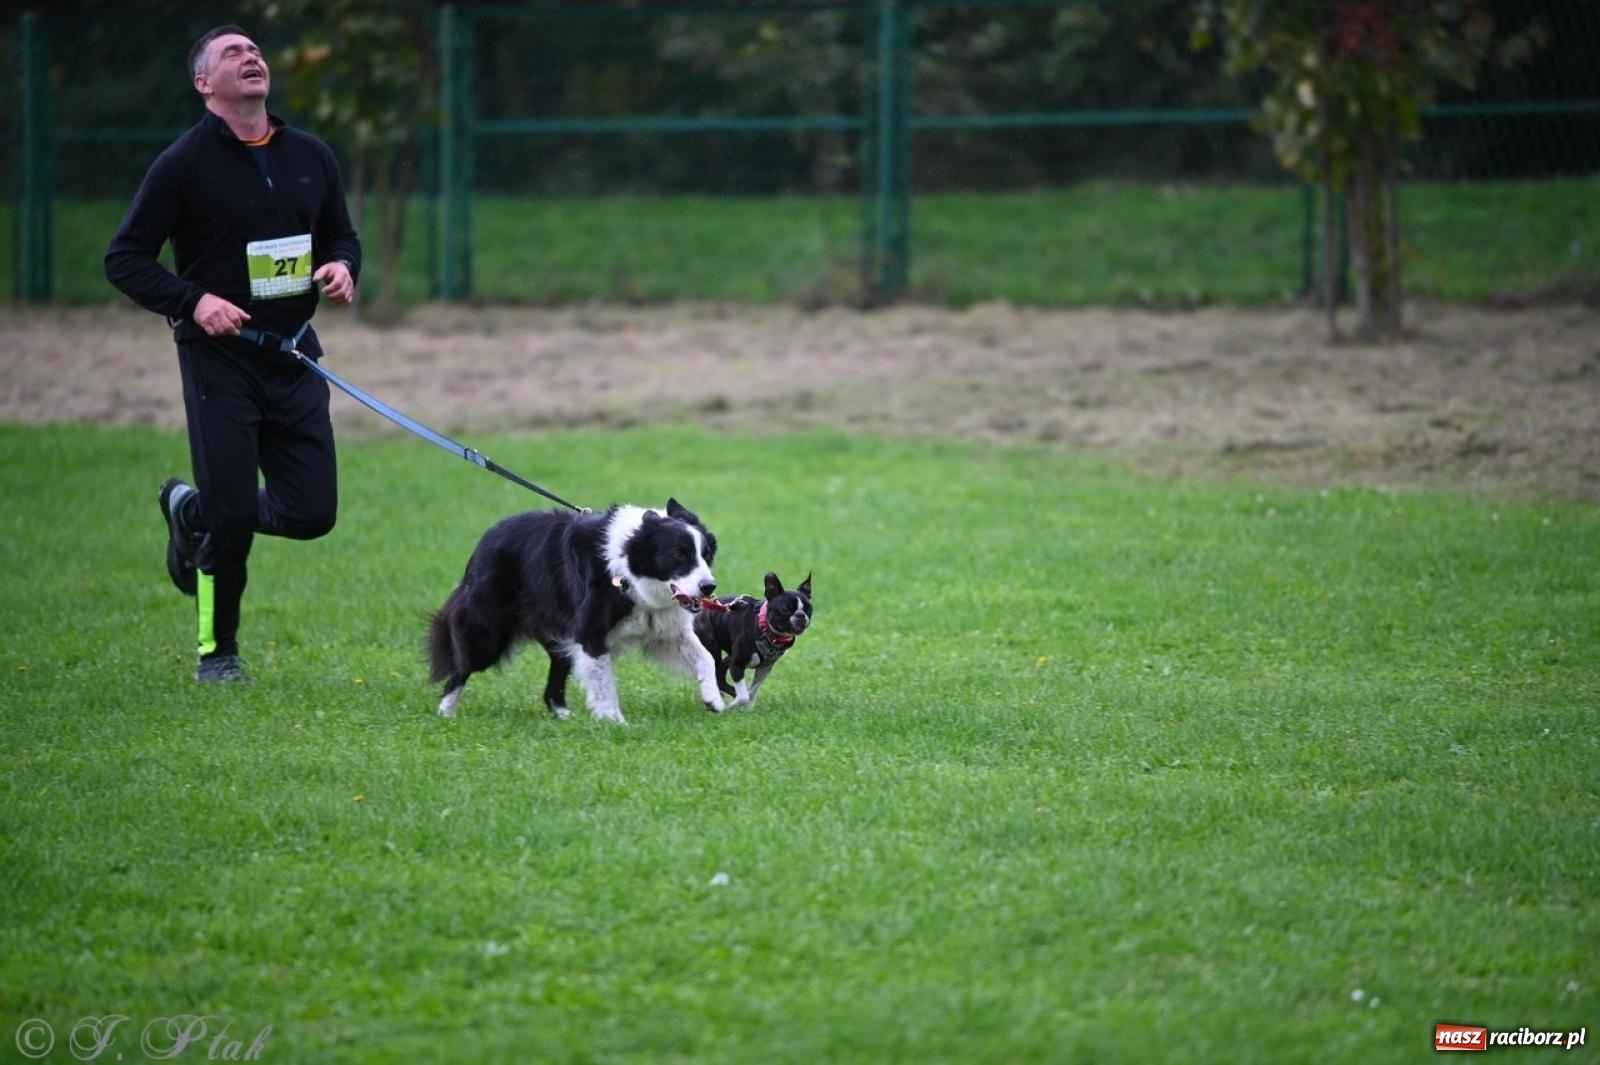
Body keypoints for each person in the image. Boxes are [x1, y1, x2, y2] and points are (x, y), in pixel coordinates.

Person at [106, 24, 362, 683]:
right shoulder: (183, 164)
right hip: (220, 361)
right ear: (204, 84)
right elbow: (125, 258)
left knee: (312, 513)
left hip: (295, 356)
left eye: (254, 51)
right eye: (231, 54)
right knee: (234, 518)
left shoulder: (311, 153)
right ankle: (218, 653)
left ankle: (196, 509)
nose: (250, 58)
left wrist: (340, 266)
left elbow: (340, 233)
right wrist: (192, 301)